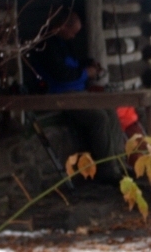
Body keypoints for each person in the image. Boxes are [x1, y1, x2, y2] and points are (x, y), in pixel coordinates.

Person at [33, 9, 126, 185]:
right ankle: (107, 171)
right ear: (61, 27)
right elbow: (61, 74)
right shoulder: (45, 45)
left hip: (78, 93)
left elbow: (73, 63)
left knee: (110, 111)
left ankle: (119, 163)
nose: (74, 37)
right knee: (98, 118)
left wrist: (88, 64)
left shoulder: (63, 42)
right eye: (72, 32)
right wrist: (85, 73)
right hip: (60, 96)